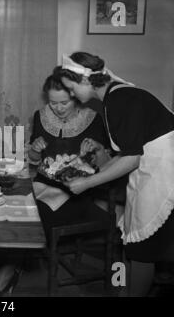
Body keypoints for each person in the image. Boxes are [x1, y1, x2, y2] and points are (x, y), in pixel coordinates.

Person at [55, 51, 174, 296]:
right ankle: (124, 291)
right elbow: (126, 154)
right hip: (149, 171)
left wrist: (87, 183)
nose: (71, 94)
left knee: (142, 252)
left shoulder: (120, 99)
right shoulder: (116, 95)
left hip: (163, 175)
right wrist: (91, 171)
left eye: (71, 88)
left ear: (85, 81)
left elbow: (131, 158)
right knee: (132, 241)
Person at [29, 74, 112, 237]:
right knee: (17, 212)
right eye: (53, 103)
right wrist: (35, 149)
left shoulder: (93, 119)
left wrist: (98, 149)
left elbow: (106, 166)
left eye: (64, 103)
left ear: (76, 97)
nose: (58, 108)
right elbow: (34, 159)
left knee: (38, 218)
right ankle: (16, 260)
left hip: (77, 192)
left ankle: (34, 259)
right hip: (41, 185)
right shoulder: (40, 116)